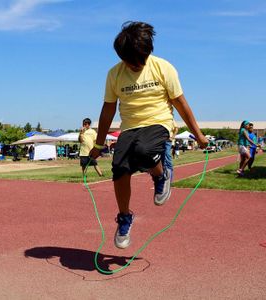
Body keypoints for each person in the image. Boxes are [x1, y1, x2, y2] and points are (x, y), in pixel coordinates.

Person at [89, 21, 208, 249]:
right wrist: (99, 143)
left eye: (139, 61)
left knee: (144, 150)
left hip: (159, 121)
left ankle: (161, 175)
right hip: (130, 126)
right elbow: (107, 110)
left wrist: (199, 135)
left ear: (148, 52)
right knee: (119, 168)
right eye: (129, 62)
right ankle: (125, 216)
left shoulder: (163, 68)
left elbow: (181, 104)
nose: (135, 66)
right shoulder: (114, 74)